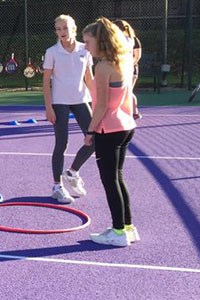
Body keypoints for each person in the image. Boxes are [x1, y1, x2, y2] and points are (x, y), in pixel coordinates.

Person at [82, 17, 139, 247]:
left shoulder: (103, 67)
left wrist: (90, 130)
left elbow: (102, 105)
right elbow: (127, 98)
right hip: (125, 126)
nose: (86, 47)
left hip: (109, 129)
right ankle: (127, 227)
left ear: (100, 40)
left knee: (110, 181)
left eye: (88, 42)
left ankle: (118, 232)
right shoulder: (123, 61)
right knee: (118, 177)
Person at [42, 15, 96, 204]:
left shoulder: (85, 49)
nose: (61, 32)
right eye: (58, 29)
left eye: (65, 28)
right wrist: (48, 107)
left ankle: (72, 172)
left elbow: (89, 78)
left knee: (94, 139)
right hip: (60, 102)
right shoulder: (52, 52)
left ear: (73, 29)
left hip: (82, 100)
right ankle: (57, 187)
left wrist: (97, 102)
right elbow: (46, 82)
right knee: (61, 143)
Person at [113, 19, 142, 120]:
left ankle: (134, 112)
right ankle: (127, 112)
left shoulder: (133, 40)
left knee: (128, 91)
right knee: (123, 92)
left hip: (131, 70)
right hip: (120, 70)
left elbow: (137, 56)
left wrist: (128, 66)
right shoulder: (115, 40)